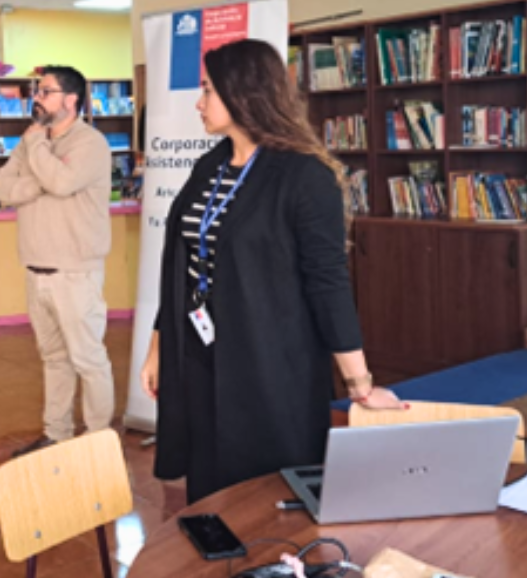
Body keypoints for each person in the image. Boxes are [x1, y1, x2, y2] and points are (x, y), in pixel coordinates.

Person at [139, 39, 402, 504]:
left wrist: (360, 384)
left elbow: (328, 282)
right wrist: (160, 346)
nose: (199, 104)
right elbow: (181, 264)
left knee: (267, 497)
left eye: (208, 91)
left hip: (268, 362)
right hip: (201, 356)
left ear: (244, 94)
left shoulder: (303, 176)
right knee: (210, 490)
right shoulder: (209, 167)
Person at [0, 65, 115, 458]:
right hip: (36, 270)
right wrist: (38, 182)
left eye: (45, 91)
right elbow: (2, 188)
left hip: (74, 272)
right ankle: (58, 433)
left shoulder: (90, 143)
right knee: (53, 358)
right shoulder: (32, 140)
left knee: (88, 359)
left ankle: (99, 443)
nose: (37, 98)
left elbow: (63, 183)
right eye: (37, 90)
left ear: (71, 100)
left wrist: (37, 157)